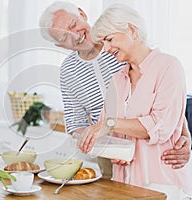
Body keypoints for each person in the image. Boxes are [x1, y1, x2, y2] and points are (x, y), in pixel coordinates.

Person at [39, 1, 191, 179]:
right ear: (60, 46)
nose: (74, 35)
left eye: (73, 24)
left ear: (82, 13)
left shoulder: (123, 44)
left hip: (154, 148)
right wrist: (109, 145)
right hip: (112, 153)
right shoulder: (69, 71)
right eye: (64, 37)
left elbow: (165, 97)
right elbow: (75, 122)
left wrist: (184, 135)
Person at [77, 3, 192, 199]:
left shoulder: (168, 67)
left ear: (131, 29)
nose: (105, 49)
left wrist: (109, 124)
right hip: (123, 185)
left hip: (162, 186)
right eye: (102, 44)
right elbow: (108, 129)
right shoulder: (118, 79)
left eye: (109, 39)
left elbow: (160, 126)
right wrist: (113, 149)